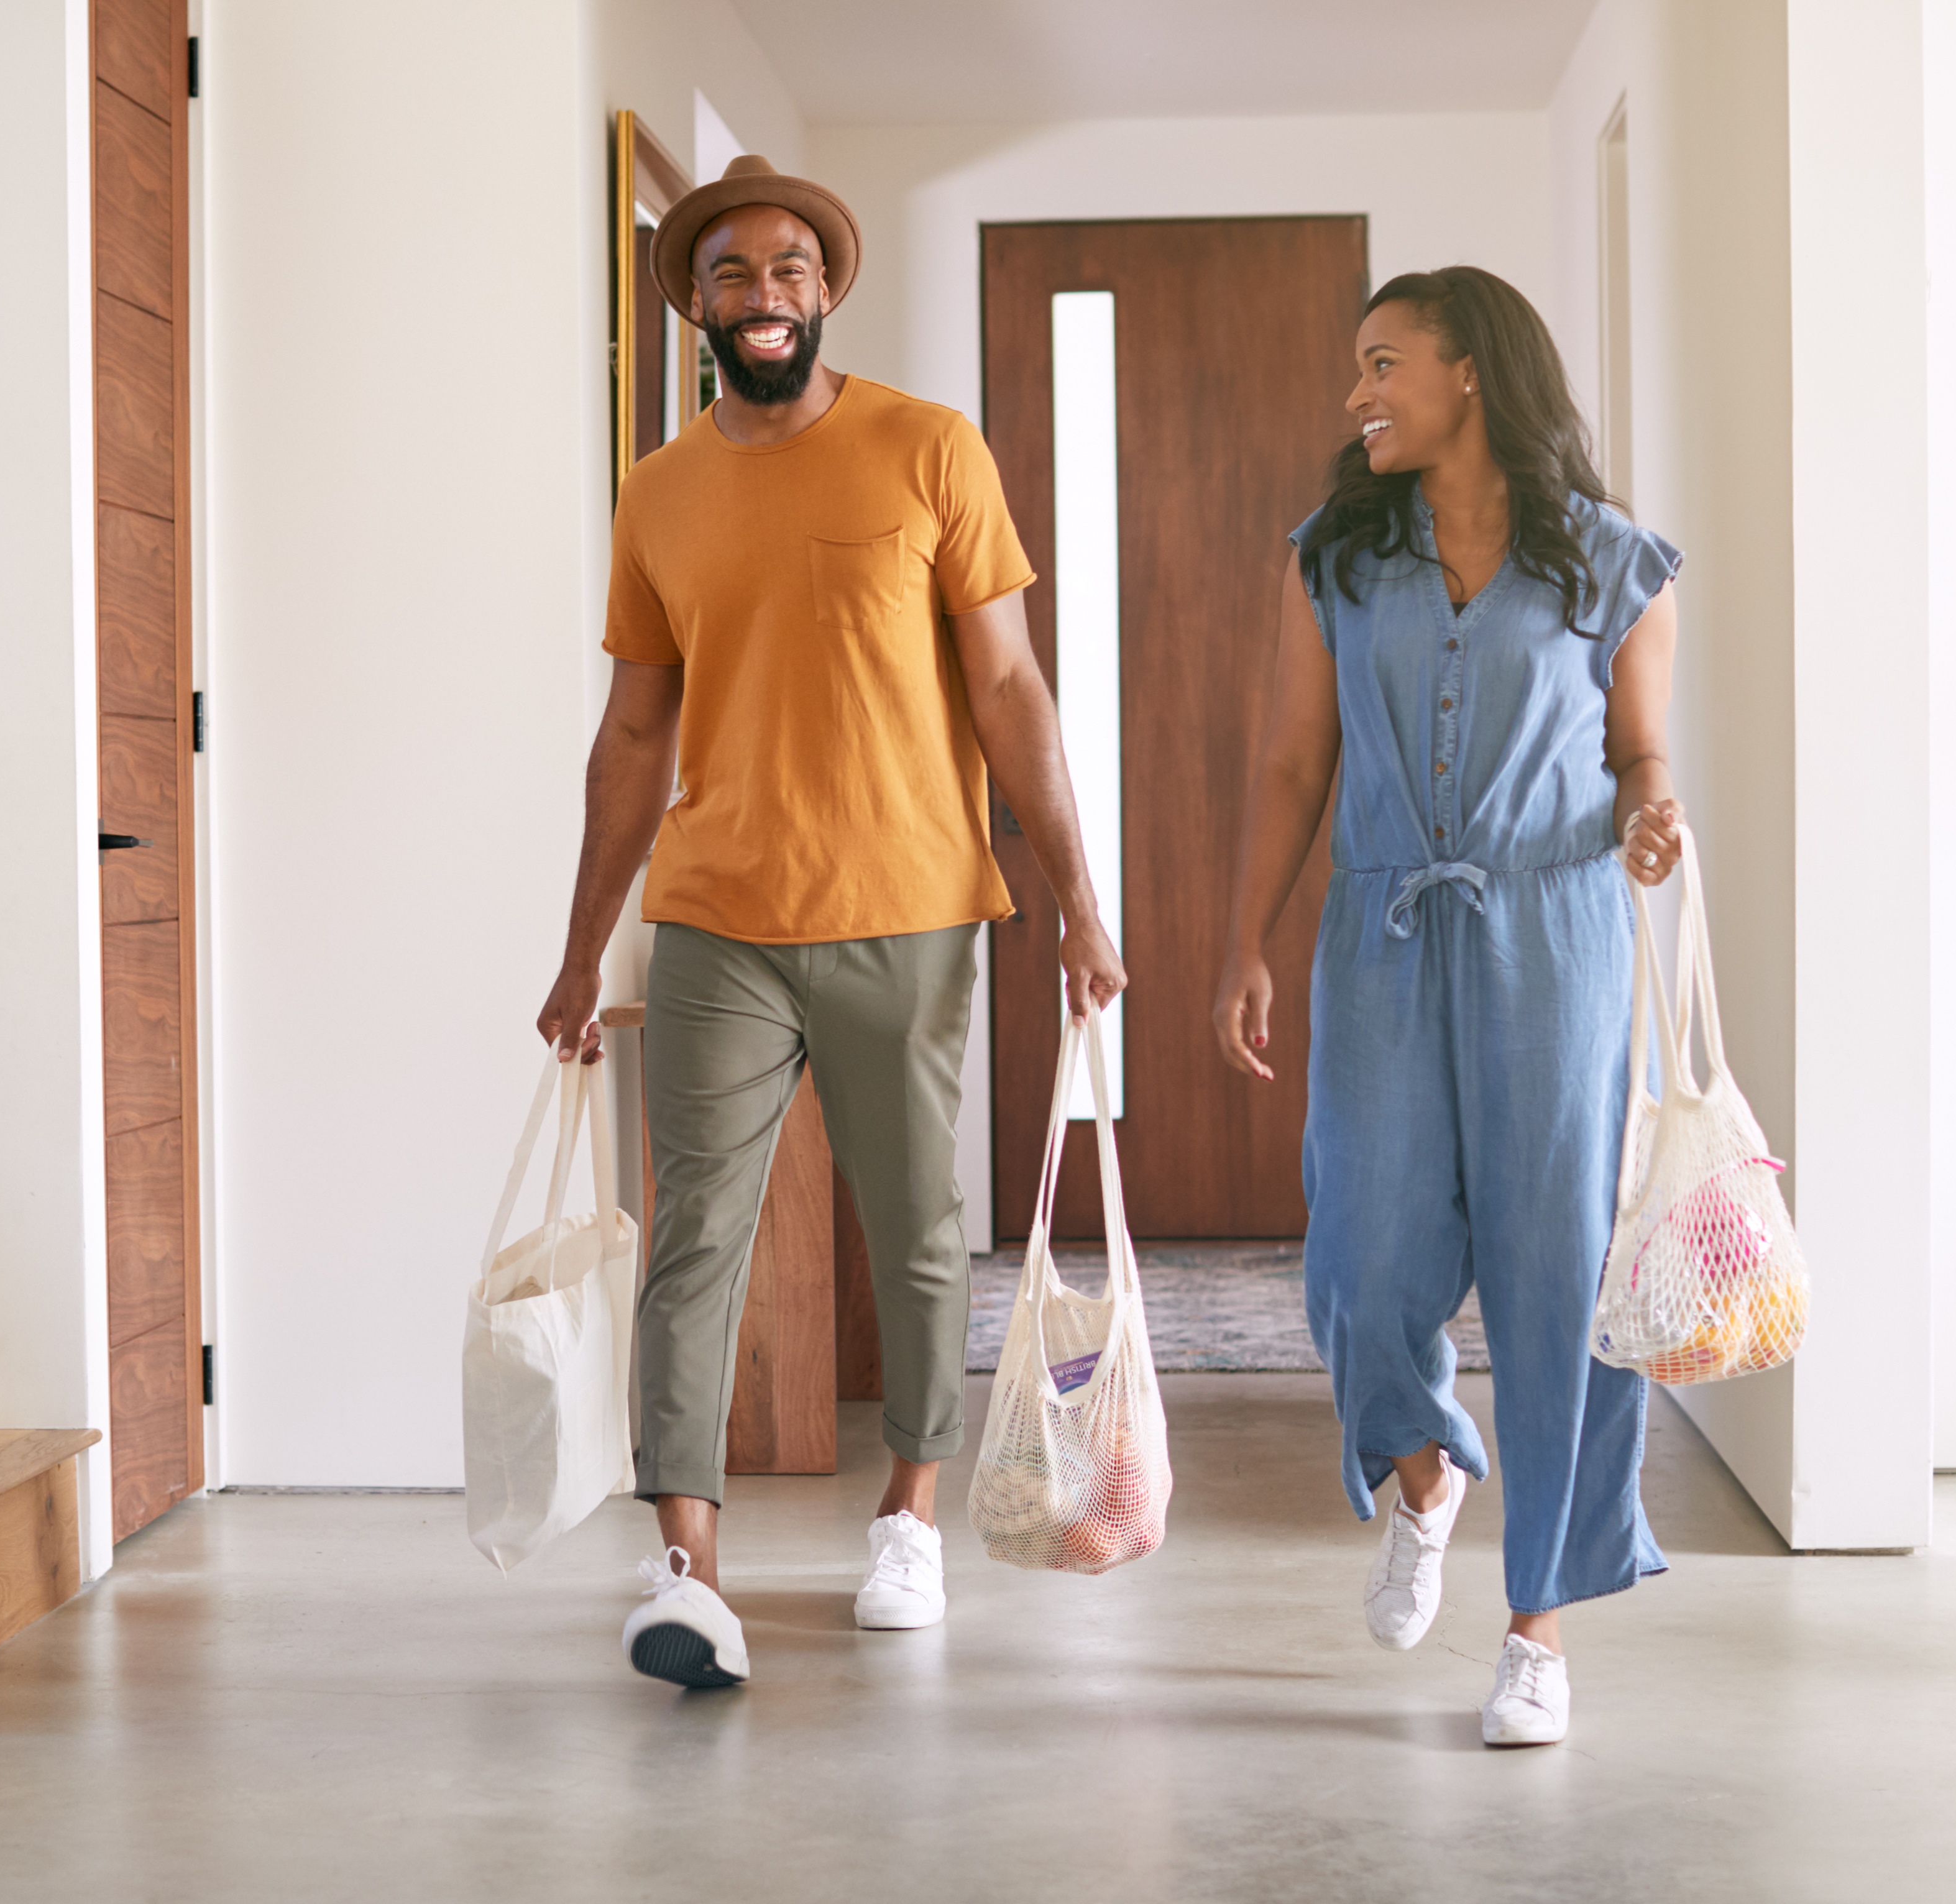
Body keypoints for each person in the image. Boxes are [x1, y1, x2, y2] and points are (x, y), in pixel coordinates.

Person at [536, 155, 1126, 1690]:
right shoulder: (657, 494)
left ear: (825, 289)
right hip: (717, 917)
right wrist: (581, 940)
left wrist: (1077, 897)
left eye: (789, 270)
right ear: (698, 308)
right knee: (691, 1248)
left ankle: (910, 1516)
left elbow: (1009, 690)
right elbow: (629, 736)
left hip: (910, 911)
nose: (764, 295)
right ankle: (686, 1568)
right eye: (731, 275)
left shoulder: (929, 449)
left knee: (918, 1235)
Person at [1213, 266, 1684, 1748]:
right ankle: (1426, 1473)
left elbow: (1641, 756)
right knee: (1358, 1259)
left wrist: (1656, 815)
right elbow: (1293, 766)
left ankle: (1536, 1624)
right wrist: (1247, 942)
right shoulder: (1335, 560)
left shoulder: (1614, 563)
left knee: (1557, 1282)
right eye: (1356, 369)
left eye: (1382, 363)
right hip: (1380, 922)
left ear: (1469, 369)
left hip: (1555, 925)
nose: (1357, 394)